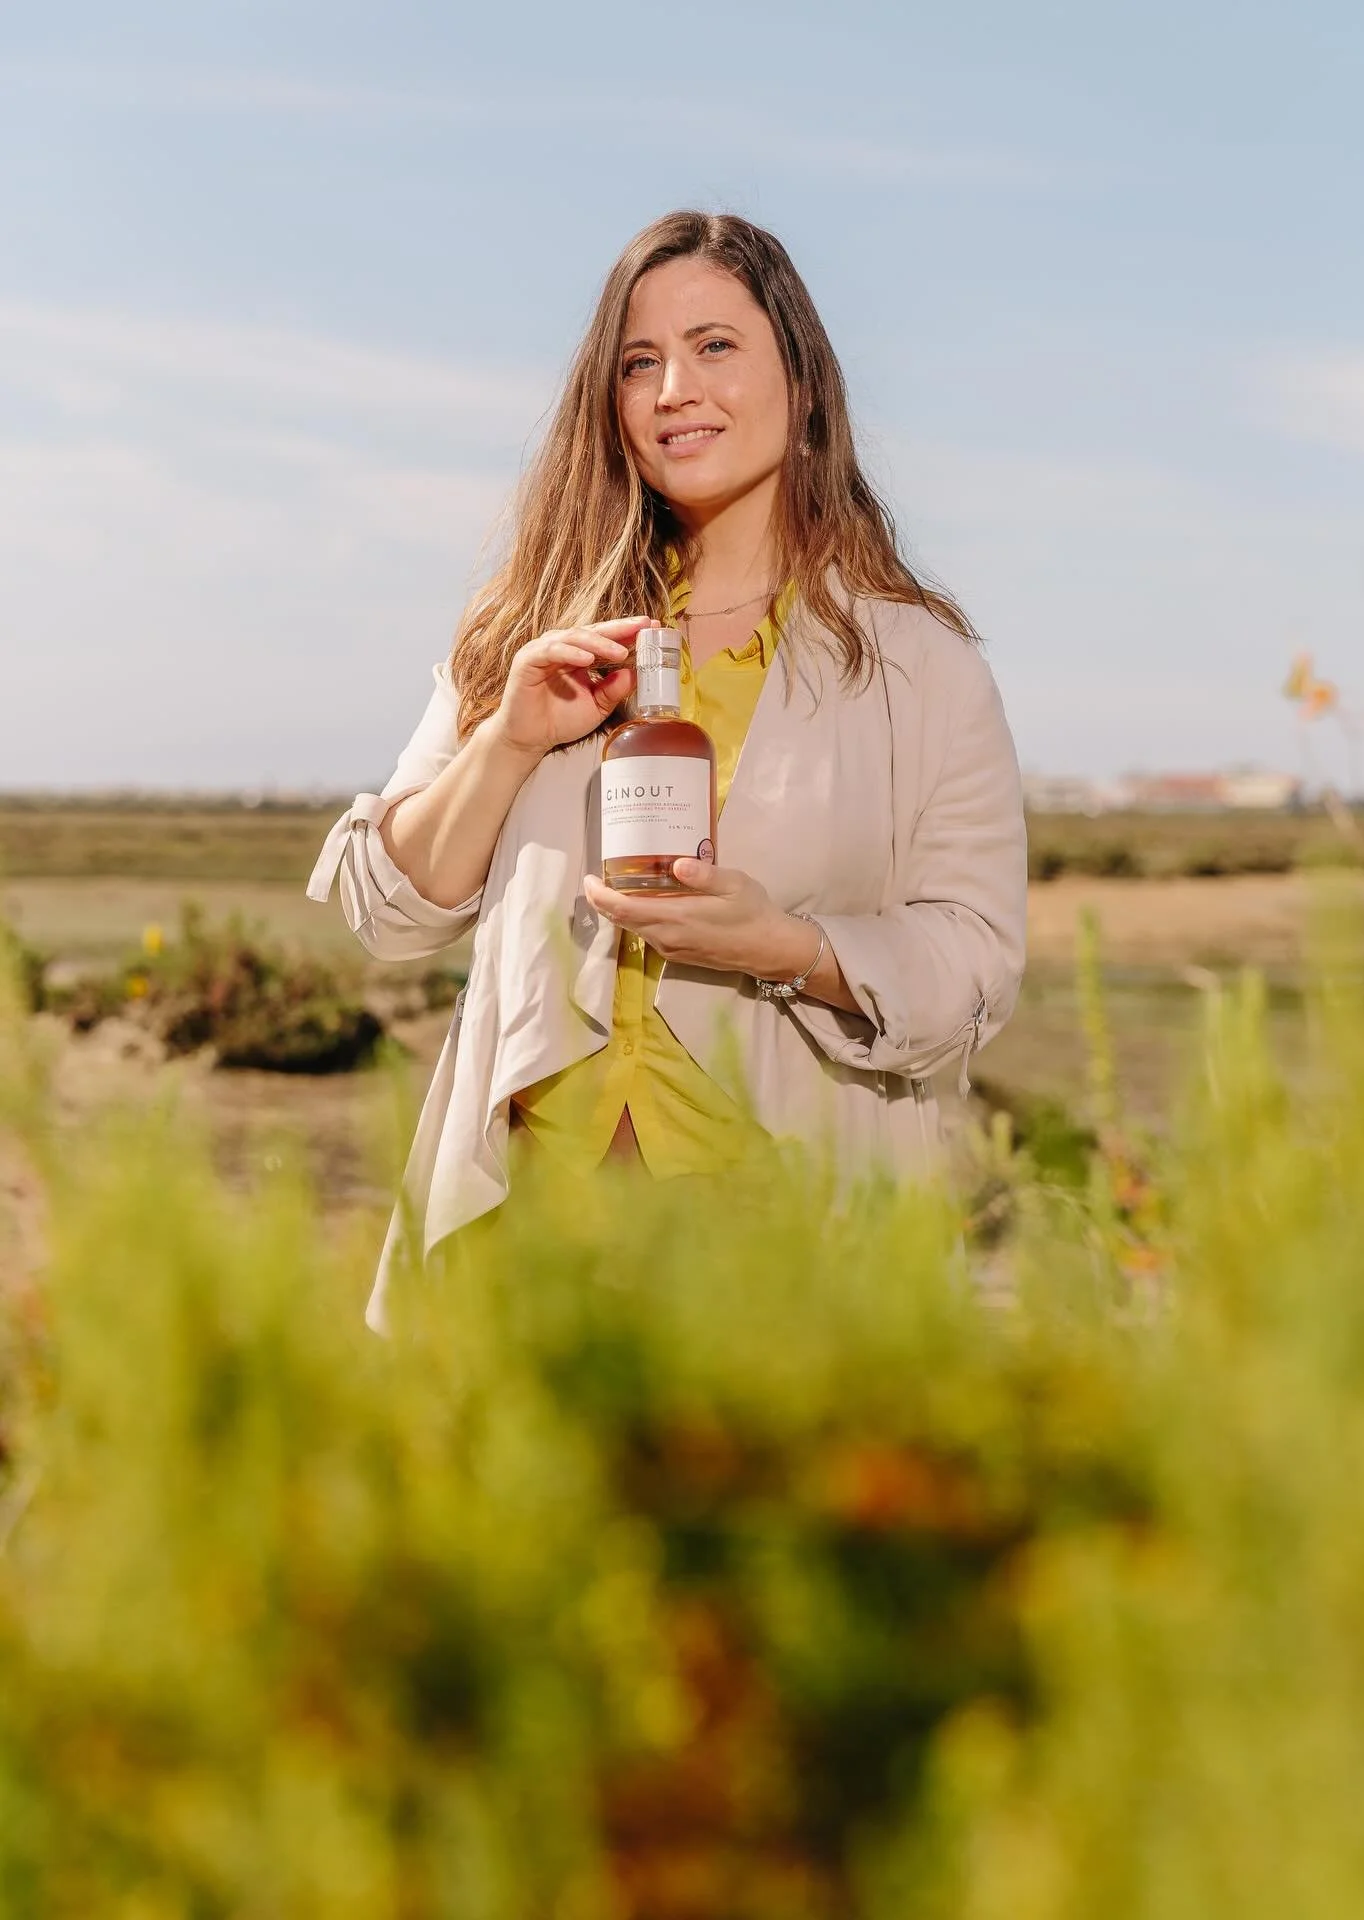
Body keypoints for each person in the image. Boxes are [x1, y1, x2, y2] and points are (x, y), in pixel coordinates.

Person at [308, 210, 1027, 1331]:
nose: (673, 389)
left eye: (715, 347)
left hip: (789, 1245)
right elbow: (384, 909)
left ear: (805, 385)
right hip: (526, 1235)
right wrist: (507, 739)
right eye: (639, 362)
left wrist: (793, 950)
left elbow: (975, 972)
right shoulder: (531, 629)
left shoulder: (920, 668)